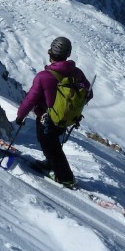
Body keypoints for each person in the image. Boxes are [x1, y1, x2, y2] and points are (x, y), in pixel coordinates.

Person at [15, 37, 92, 188]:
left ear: (51, 54)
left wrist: (20, 116)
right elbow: (88, 93)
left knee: (51, 146)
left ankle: (66, 178)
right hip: (65, 119)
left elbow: (30, 99)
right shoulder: (77, 73)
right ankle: (50, 164)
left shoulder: (44, 77)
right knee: (53, 143)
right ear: (68, 54)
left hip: (46, 118)